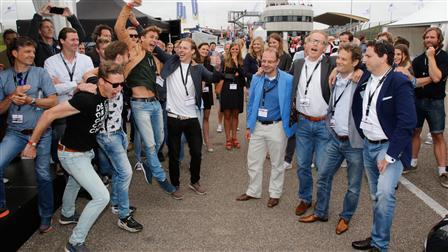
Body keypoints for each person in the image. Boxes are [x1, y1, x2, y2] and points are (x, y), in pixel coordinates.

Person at [22, 61, 124, 252]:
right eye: (115, 84)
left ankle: (67, 214)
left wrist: (84, 81)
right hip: (72, 155)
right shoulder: (86, 99)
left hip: (84, 152)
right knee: (102, 197)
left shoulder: (97, 83)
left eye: (121, 84)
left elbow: (88, 73)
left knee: (74, 182)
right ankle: (75, 242)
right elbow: (49, 115)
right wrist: (31, 144)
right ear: (102, 82)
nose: (118, 89)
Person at [351, 40, 416, 251]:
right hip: (368, 144)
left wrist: (390, 156)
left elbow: (408, 122)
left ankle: (380, 245)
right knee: (376, 196)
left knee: (385, 195)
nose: (364, 59)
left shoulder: (398, 81)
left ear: (383, 57)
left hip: (387, 149)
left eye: (368, 56)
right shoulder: (367, 76)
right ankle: (376, 236)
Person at [298, 43, 365, 235]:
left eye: (344, 59)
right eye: (339, 58)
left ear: (356, 62)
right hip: (335, 139)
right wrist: (336, 68)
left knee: (353, 186)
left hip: (354, 144)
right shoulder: (335, 78)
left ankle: (345, 217)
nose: (339, 61)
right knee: (323, 176)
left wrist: (361, 70)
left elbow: (378, 70)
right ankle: (321, 212)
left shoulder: (362, 79)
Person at [115, 0, 177, 195]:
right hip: (139, 105)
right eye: (150, 37)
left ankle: (150, 166)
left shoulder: (154, 58)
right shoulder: (133, 50)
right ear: (141, 38)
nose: (154, 40)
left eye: (156, 38)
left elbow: (169, 64)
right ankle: (160, 176)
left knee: (159, 141)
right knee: (150, 144)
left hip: (155, 104)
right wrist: (129, 8)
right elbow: (119, 28)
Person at [82, 41, 143, 232]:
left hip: (118, 131)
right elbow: (86, 75)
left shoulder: (118, 70)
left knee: (118, 172)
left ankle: (117, 205)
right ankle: (124, 216)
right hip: (108, 135)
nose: (129, 57)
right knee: (125, 172)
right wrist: (89, 84)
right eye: (127, 54)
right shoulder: (104, 71)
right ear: (119, 57)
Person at [0, 37, 58, 232]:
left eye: (33, 52)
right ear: (15, 53)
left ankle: (46, 217)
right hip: (15, 133)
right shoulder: (4, 76)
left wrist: (31, 101)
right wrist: (11, 96)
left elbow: (53, 102)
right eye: (27, 52)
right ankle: (1, 206)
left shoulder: (40, 73)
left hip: (41, 132)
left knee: (42, 174)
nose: (32, 55)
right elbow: (0, 109)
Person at [154, 38, 222, 198]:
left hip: (191, 117)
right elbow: (156, 49)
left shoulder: (198, 68)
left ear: (193, 51)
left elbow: (214, 78)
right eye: (180, 48)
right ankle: (175, 185)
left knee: (197, 152)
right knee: (174, 153)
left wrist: (217, 65)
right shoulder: (171, 61)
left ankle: (195, 181)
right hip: (173, 117)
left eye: (185, 48)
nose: (181, 50)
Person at [236, 47, 295, 208]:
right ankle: (253, 191)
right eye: (264, 61)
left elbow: (293, 103)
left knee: (277, 163)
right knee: (253, 161)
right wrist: (249, 126)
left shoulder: (288, 80)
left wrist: (291, 126)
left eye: (270, 61)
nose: (267, 64)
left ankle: (275, 193)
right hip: (257, 126)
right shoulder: (257, 78)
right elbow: (251, 104)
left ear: (277, 62)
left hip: (277, 126)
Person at [289, 30, 336, 216]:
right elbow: (284, 80)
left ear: (325, 47)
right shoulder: (298, 64)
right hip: (303, 124)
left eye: (320, 42)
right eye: (312, 41)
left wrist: (344, 69)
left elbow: (354, 62)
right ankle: (305, 198)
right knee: (302, 165)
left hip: (324, 125)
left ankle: (322, 205)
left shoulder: (331, 63)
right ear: (305, 44)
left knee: (323, 169)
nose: (315, 45)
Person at [44, 27, 94, 177]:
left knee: (83, 147)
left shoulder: (86, 60)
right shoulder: (50, 62)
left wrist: (64, 85)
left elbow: (91, 85)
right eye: (72, 39)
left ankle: (84, 179)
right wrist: (77, 84)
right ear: (62, 41)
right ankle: (66, 175)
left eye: (77, 39)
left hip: (83, 110)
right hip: (62, 111)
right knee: (63, 145)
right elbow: (51, 88)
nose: (76, 42)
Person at [410, 27, 448, 187]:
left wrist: (431, 57)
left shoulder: (445, 57)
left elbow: (438, 77)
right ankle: (412, 163)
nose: (429, 40)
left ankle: (443, 171)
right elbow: (413, 81)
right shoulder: (418, 60)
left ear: (439, 39)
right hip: (418, 101)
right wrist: (429, 78)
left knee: (438, 135)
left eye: (432, 37)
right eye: (426, 37)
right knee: (415, 132)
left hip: (436, 102)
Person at [217, 42, 246, 150]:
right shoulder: (224, 60)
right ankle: (228, 139)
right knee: (227, 114)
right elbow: (220, 74)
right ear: (229, 50)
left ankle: (235, 138)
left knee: (236, 114)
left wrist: (237, 65)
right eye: (233, 49)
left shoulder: (242, 61)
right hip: (227, 90)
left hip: (237, 90)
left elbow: (244, 76)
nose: (234, 51)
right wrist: (232, 75)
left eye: (236, 49)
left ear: (239, 50)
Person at [196, 42, 216, 152]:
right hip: (196, 94)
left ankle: (207, 140)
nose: (205, 51)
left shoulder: (209, 62)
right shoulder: (193, 62)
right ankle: (198, 141)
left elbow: (214, 76)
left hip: (207, 93)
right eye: (203, 49)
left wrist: (216, 66)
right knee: (196, 119)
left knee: (206, 118)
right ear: (198, 49)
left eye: (207, 50)